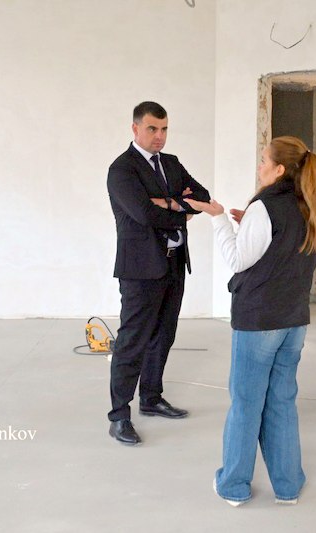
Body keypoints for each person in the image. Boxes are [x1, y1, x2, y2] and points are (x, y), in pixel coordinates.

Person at [186, 136, 316, 506]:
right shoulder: (309, 205)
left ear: (279, 169)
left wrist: (219, 218)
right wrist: (247, 223)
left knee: (246, 404)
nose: (259, 166)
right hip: (293, 320)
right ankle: (288, 487)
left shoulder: (265, 206)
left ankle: (233, 486)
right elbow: (279, 250)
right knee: (282, 402)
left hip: (260, 320)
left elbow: (238, 260)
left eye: (264, 160)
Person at [106, 101, 210, 445]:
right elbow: (143, 214)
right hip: (140, 268)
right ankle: (119, 416)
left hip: (174, 263)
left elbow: (203, 196)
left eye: (164, 129)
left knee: (164, 334)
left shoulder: (172, 163)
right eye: (152, 129)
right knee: (132, 341)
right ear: (135, 128)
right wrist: (179, 207)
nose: (159, 136)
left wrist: (164, 201)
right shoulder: (122, 169)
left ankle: (151, 398)